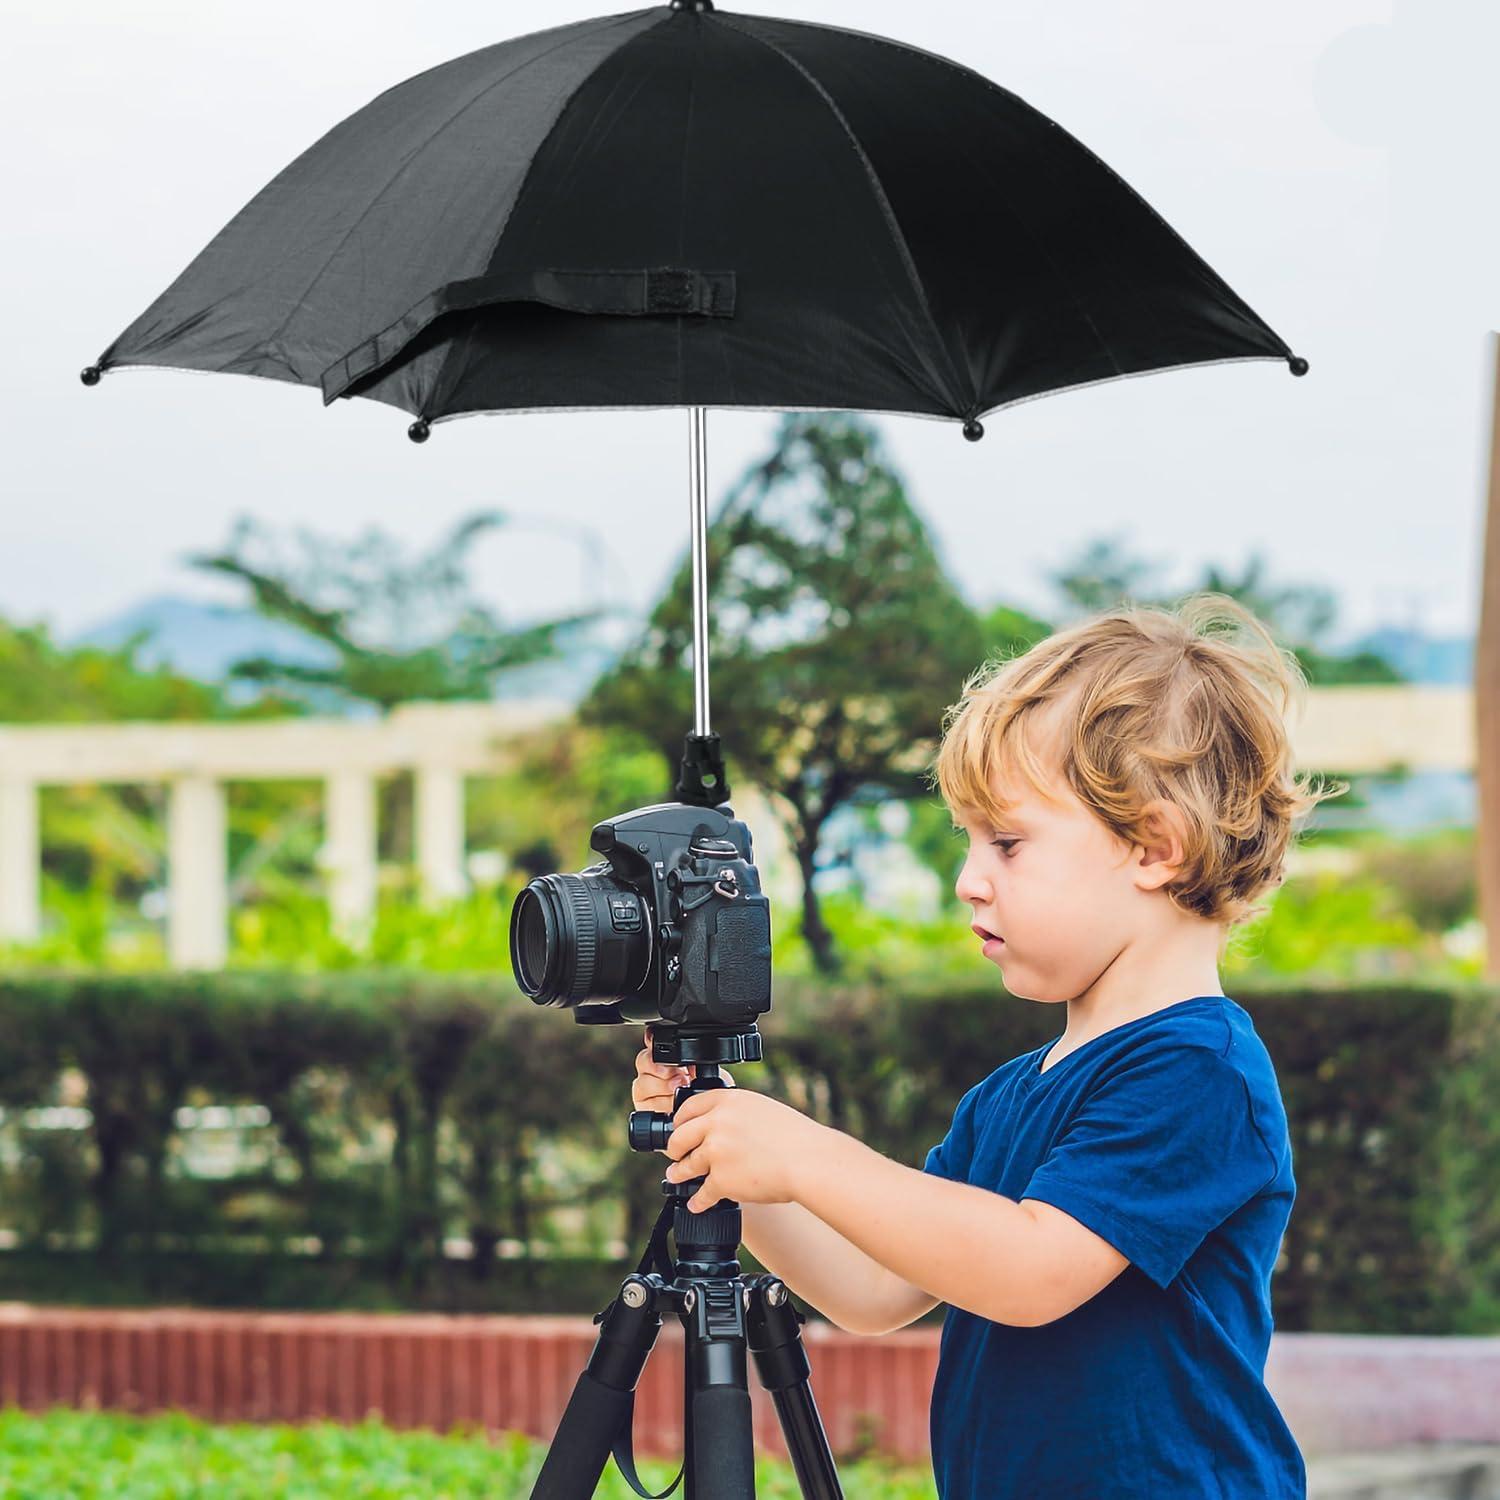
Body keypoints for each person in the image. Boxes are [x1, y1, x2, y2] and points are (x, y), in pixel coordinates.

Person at [631, 593, 1342, 1499]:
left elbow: (1031, 1270)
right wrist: (729, 1150)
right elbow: (873, 1290)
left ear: (1154, 847)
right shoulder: (1011, 1094)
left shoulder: (1198, 1072)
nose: (970, 880)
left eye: (1008, 843)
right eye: (969, 843)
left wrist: (807, 1155)